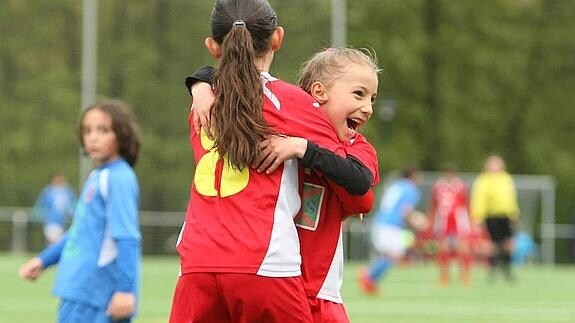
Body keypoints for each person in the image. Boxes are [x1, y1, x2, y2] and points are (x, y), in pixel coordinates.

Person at [170, 1, 376, 322]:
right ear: (277, 38)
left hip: (196, 261)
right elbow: (358, 181)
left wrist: (198, 82)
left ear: (212, 46)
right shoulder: (291, 102)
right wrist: (302, 147)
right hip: (263, 261)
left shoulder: (202, 104)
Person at [18, 99, 142, 323]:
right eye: (87, 130)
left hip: (96, 294)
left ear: (122, 135)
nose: (92, 137)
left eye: (103, 130)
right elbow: (79, 232)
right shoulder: (97, 176)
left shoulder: (118, 177)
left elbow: (126, 237)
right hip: (78, 290)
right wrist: (44, 260)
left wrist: (125, 290)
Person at [358, 166, 423, 295]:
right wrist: (419, 222)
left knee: (390, 255)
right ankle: (368, 275)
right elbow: (406, 211)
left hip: (380, 223)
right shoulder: (410, 189)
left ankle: (370, 280)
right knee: (394, 255)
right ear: (413, 176)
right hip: (390, 226)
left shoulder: (396, 185)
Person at [471, 154, 520, 283]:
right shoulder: (483, 180)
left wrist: (514, 213)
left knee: (507, 243)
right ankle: (492, 268)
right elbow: (479, 199)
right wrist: (478, 216)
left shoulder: (506, 179)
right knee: (492, 244)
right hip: (491, 216)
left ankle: (507, 268)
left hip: (506, 215)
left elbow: (511, 198)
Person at [427, 165, 473, 286]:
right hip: (443, 220)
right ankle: (444, 275)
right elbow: (433, 204)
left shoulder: (461, 186)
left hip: (458, 220)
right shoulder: (438, 186)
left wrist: (471, 220)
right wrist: (431, 220)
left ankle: (465, 275)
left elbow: (467, 203)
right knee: (443, 249)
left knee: (463, 248)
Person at [33, 172, 77, 245]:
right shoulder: (48, 191)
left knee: (59, 244)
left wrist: (74, 215)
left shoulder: (68, 191)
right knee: (56, 243)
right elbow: (40, 205)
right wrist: (37, 215)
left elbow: (73, 205)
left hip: (65, 223)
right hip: (51, 222)